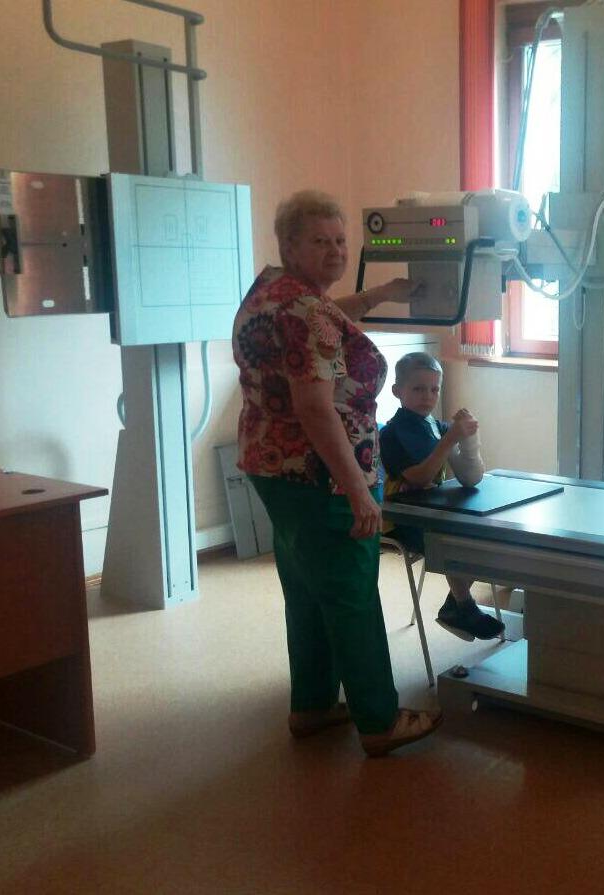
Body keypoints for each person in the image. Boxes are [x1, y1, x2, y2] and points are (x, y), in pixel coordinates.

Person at [232, 189, 441, 757]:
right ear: (290, 245)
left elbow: (323, 319)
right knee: (351, 594)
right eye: (320, 241)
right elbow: (315, 407)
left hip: (272, 466)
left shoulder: (272, 292)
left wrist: (381, 294)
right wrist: (358, 492)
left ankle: (313, 704)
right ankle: (379, 720)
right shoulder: (307, 312)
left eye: (341, 241)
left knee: (306, 589)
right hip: (322, 476)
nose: (335, 251)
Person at [379, 352, 505, 641]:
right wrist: (450, 440)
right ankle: (463, 606)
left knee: (483, 535)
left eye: (434, 389)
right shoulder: (392, 434)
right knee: (457, 541)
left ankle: (455, 605)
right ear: (397, 391)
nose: (428, 396)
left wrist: (469, 442)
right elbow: (420, 478)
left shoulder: (437, 427)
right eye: (418, 389)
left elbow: (470, 477)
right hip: (403, 519)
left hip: (435, 511)